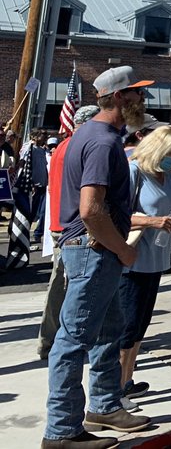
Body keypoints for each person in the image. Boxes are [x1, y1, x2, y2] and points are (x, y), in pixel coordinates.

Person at [44, 66, 154, 449]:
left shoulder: (94, 135)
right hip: (95, 251)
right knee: (73, 341)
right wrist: (123, 248)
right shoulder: (103, 142)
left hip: (95, 251)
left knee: (108, 332)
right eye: (138, 94)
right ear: (121, 97)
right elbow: (91, 210)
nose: (144, 101)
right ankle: (61, 431)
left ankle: (105, 405)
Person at [118, 125, 171, 405]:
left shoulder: (168, 176)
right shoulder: (134, 172)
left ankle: (127, 381)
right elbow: (116, 215)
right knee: (127, 328)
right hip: (131, 261)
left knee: (140, 327)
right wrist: (152, 221)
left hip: (155, 261)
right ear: (157, 148)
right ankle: (115, 388)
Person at [38, 105, 101, 360]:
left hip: (62, 224)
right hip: (71, 226)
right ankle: (56, 340)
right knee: (68, 287)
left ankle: (50, 339)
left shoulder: (63, 147)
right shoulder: (77, 147)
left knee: (62, 285)